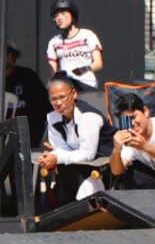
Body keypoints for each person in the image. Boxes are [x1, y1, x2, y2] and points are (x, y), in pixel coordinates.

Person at [38, 74, 107, 205]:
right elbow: (60, 148)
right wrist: (50, 157)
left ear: (74, 94)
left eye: (62, 97)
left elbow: (88, 154)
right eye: (53, 99)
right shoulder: (52, 118)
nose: (58, 103)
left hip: (102, 167)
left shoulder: (88, 116)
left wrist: (56, 157)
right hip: (76, 167)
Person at [0, 39, 51, 144]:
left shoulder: (28, 76)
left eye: (3, 53)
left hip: (27, 132)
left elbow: (44, 108)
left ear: (13, 55)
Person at [108, 92, 155, 190]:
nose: (132, 123)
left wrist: (145, 146)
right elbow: (116, 171)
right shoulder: (129, 135)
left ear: (145, 112)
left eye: (134, 117)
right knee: (127, 173)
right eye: (127, 120)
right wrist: (117, 150)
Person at [45, 0, 103, 89]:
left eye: (63, 14)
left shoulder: (87, 35)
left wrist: (79, 71)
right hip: (67, 86)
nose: (59, 18)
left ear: (73, 16)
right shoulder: (54, 42)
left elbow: (98, 64)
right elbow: (53, 71)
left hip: (87, 84)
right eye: (56, 16)